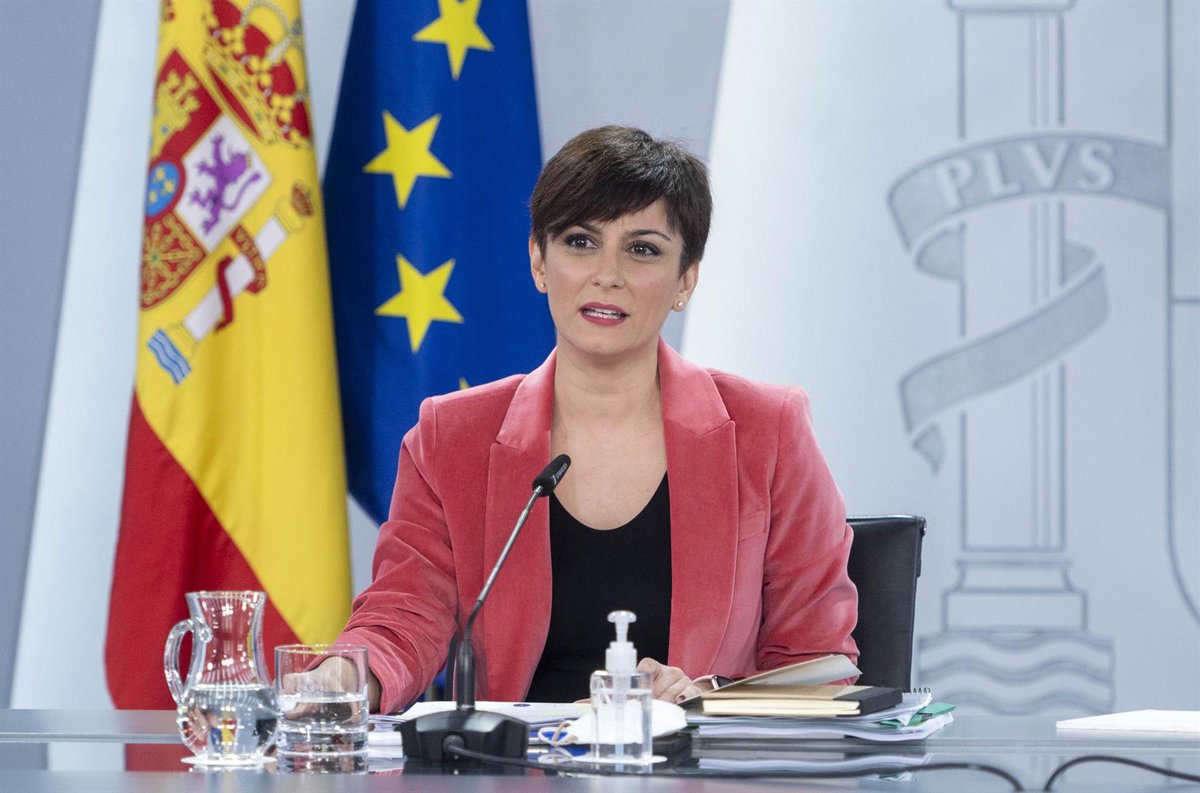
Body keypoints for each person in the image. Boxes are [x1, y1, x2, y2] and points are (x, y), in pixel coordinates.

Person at [337, 126, 858, 714]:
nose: (607, 274)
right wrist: (345, 677)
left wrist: (707, 700)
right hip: (515, 761)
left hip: (696, 760)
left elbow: (816, 660)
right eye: (581, 242)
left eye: (643, 249)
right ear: (539, 261)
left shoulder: (768, 430)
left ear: (686, 279)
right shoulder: (451, 436)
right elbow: (404, 615)